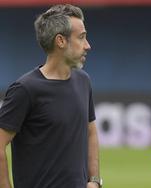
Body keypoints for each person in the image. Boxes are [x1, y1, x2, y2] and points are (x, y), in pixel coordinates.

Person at [0, 4, 102, 188]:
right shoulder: (25, 89)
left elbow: (91, 132)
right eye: (81, 37)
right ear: (60, 41)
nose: (88, 45)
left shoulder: (83, 81)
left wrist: (94, 181)